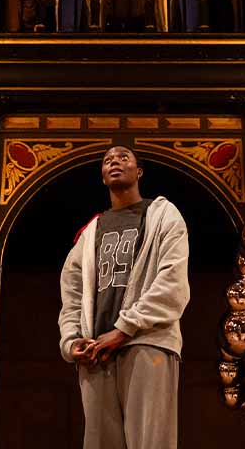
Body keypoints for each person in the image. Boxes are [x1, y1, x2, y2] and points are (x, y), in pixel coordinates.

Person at [58, 146, 190, 449]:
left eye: (123, 157)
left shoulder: (162, 215)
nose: (114, 162)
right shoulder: (92, 230)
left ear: (139, 171)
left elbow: (173, 284)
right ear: (103, 176)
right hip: (96, 351)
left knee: (151, 442)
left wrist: (124, 329)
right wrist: (71, 340)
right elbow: (72, 292)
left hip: (147, 341)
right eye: (107, 160)